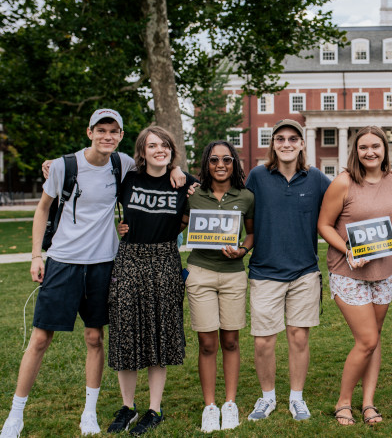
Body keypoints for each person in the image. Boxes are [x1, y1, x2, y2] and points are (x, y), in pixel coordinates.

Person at [0, 108, 185, 438]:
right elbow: (43, 208)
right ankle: (15, 414)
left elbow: (158, 159)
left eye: (114, 131)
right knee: (40, 339)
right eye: (101, 130)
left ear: (121, 137)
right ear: (89, 132)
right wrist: (35, 255)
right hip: (63, 261)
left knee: (95, 338)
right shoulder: (64, 166)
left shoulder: (123, 163)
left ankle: (89, 413)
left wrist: (178, 170)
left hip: (104, 263)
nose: (107, 136)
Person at [106, 126, 197, 435]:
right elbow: (96, 195)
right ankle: (128, 406)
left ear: (172, 150)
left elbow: (218, 193)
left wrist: (178, 171)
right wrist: (53, 165)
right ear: (142, 153)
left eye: (165, 145)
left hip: (165, 261)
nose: (160, 149)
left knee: (159, 336)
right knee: (126, 335)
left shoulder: (185, 183)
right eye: (152, 145)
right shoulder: (128, 180)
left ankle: (154, 409)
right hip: (129, 260)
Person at [244, 119, 330, 422]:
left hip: (305, 271)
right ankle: (266, 397)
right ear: (273, 144)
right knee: (264, 340)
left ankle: (297, 398)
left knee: (298, 337)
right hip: (265, 271)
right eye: (280, 139)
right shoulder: (257, 176)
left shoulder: (317, 178)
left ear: (302, 144)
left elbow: (345, 202)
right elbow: (234, 207)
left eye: (293, 139)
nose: (286, 143)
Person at [318, 126, 392, 426]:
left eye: (376, 146)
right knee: (366, 340)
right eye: (363, 147)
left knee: (374, 339)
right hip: (348, 272)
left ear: (385, 150)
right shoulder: (343, 182)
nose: (370, 152)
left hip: (383, 272)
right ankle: (343, 402)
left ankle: (368, 403)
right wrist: (348, 250)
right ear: (355, 151)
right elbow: (325, 224)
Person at [186, 141, 254, 432]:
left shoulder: (246, 196)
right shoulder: (193, 195)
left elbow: (251, 234)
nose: (221, 165)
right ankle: (210, 406)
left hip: (233, 274)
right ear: (206, 164)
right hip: (200, 272)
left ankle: (229, 403)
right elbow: (179, 223)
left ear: (234, 163)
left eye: (227, 159)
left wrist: (242, 250)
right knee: (207, 343)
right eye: (214, 160)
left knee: (230, 340)